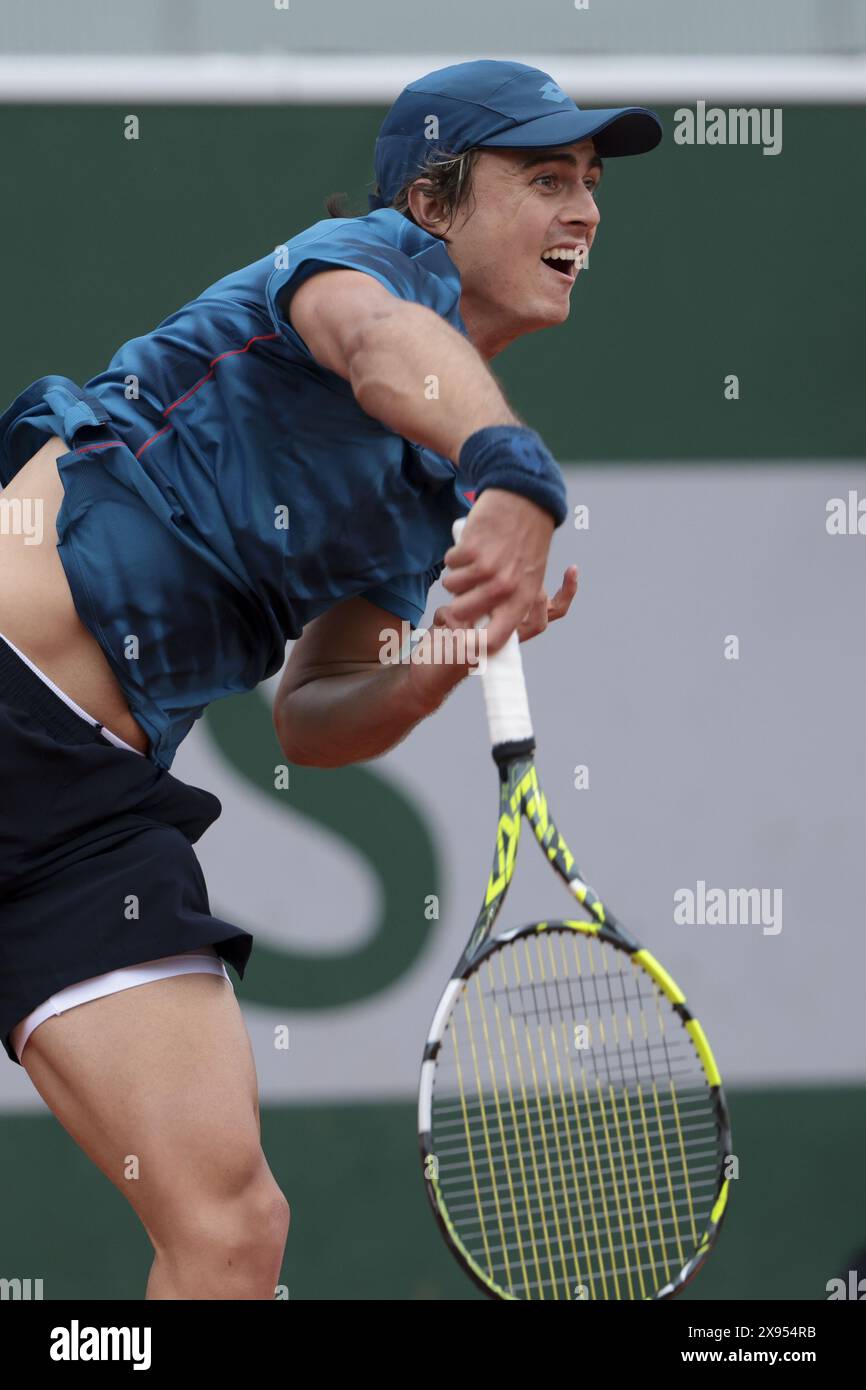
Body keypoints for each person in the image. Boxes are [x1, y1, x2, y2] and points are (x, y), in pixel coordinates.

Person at [0, 59, 661, 1299]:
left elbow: (313, 716)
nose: (580, 210)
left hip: (86, 818)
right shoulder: (353, 266)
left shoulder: (420, 492)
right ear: (429, 203)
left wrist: (446, 653)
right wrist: (514, 469)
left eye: (588, 185)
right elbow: (378, 346)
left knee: (233, 1229)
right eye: (542, 177)